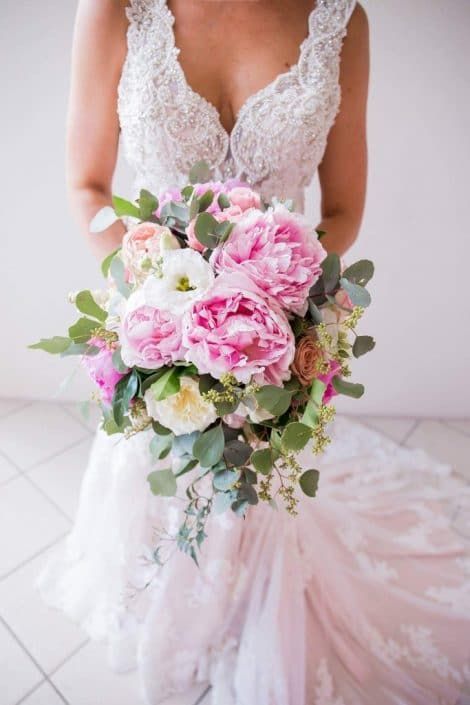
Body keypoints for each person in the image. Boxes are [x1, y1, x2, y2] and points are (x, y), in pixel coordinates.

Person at [39, 2, 470, 704]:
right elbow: (85, 185)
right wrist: (162, 298)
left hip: (274, 324)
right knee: (161, 476)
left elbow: (343, 210)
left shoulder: (340, 21)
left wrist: (272, 298)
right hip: (157, 308)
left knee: (256, 486)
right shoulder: (119, 9)